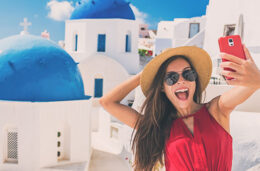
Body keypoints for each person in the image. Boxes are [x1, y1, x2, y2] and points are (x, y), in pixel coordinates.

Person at [99, 44, 260, 171]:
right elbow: (108, 102)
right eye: (171, 78)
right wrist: (145, 74)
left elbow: (252, 86)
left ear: (195, 80)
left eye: (188, 74)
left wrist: (256, 77)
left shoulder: (216, 110)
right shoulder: (158, 127)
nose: (181, 81)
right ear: (162, 87)